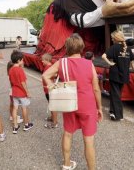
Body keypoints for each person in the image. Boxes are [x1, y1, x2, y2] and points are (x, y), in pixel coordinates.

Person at [42, 34, 103, 170]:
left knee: (68, 134)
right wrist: (99, 108)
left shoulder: (61, 63)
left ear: (67, 48)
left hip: (68, 102)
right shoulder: (88, 63)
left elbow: (45, 75)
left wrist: (54, 88)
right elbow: (96, 89)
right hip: (87, 105)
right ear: (81, 47)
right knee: (88, 140)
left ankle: (67, 164)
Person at [101, 30, 134, 121]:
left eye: (112, 38)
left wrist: (110, 63)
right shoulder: (128, 49)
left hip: (115, 74)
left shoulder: (114, 47)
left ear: (115, 39)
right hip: (124, 75)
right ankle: (112, 112)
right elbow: (132, 61)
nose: (111, 39)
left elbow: (103, 56)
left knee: (115, 94)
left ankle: (118, 115)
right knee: (116, 94)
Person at [9, 51, 33, 134]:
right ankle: (27, 125)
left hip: (14, 92)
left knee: (15, 108)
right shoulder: (20, 70)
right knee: (24, 108)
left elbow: (11, 81)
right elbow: (23, 82)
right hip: (21, 93)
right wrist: (27, 92)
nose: (23, 61)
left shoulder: (11, 69)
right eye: (22, 60)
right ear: (19, 60)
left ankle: (15, 126)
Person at [41, 53, 58, 129]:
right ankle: (52, 118)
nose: (42, 61)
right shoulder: (49, 66)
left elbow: (55, 74)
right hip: (47, 89)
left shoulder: (49, 67)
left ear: (47, 60)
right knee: (51, 105)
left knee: (53, 106)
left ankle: (55, 123)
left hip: (49, 90)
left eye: (43, 60)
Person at [7, 57, 23, 125]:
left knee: (12, 104)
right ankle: (14, 119)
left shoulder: (9, 73)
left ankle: (12, 116)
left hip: (11, 90)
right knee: (15, 106)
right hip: (15, 90)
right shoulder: (14, 73)